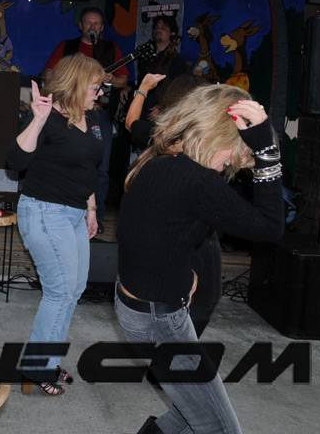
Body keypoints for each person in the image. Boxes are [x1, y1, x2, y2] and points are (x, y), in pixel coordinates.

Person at [115, 86, 283, 434]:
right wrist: (266, 151)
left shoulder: (162, 157)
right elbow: (270, 228)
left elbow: (160, 232)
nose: (228, 165)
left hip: (145, 308)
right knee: (222, 429)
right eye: (231, 154)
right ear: (220, 134)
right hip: (158, 320)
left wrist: (186, 272)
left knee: (190, 411)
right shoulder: (197, 180)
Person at [7, 55, 104, 396]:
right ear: (77, 84)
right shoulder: (46, 115)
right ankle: (37, 367)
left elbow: (88, 167)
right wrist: (36, 120)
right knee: (60, 293)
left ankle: (46, 361)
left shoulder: (91, 117)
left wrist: (91, 208)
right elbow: (14, 162)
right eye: (95, 87)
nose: (100, 93)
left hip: (75, 213)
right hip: (45, 212)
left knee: (73, 291)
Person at [124, 72, 220, 336]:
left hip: (162, 223)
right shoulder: (204, 138)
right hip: (195, 227)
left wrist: (143, 88)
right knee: (205, 295)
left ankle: (169, 349)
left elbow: (130, 122)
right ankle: (177, 353)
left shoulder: (162, 134)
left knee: (175, 293)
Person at [43, 7, 128, 229]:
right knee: (69, 161)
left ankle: (96, 218)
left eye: (97, 23)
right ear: (80, 26)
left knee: (101, 167)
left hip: (101, 113)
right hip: (70, 112)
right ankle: (67, 211)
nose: (92, 27)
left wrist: (109, 79)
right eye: (88, 23)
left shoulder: (111, 49)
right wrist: (73, 76)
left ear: (102, 27)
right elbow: (48, 74)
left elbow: (123, 80)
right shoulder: (67, 47)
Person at [127, 14, 187, 120]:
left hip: (158, 115)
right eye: (156, 27)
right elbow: (141, 82)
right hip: (140, 110)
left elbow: (180, 90)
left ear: (172, 33)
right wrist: (128, 89)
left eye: (163, 28)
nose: (158, 30)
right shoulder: (146, 57)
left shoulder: (176, 59)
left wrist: (164, 106)